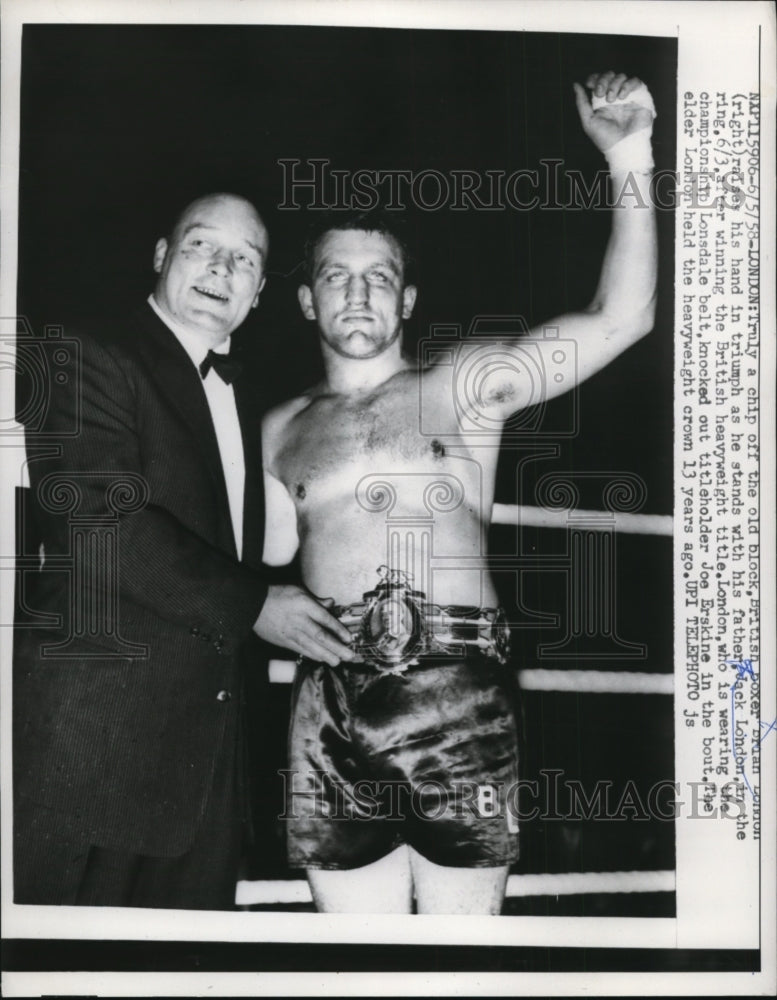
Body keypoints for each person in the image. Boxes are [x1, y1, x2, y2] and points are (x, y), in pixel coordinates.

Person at [262, 72, 659, 915]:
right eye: (337, 276)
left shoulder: (466, 384)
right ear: (306, 298)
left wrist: (628, 150)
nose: (359, 292)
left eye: (379, 276)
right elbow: (228, 549)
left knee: (460, 955)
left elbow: (623, 316)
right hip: (326, 697)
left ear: (406, 297)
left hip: (457, 691)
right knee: (356, 963)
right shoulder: (274, 427)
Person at [13, 192, 354, 909]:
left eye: (245, 259)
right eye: (202, 246)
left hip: (204, 777)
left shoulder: (259, 402)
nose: (221, 268)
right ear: (163, 257)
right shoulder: (84, 352)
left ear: (259, 292)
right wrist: (256, 602)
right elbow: (97, 518)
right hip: (92, 751)